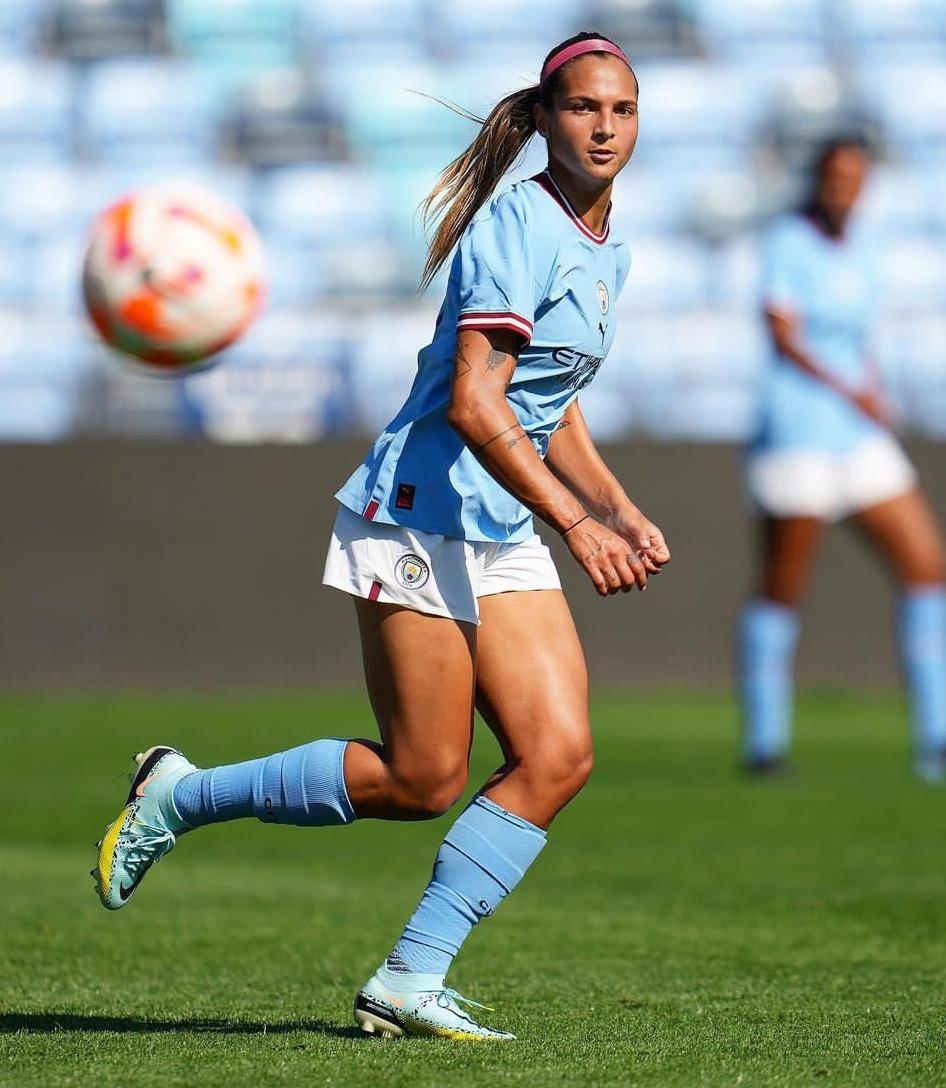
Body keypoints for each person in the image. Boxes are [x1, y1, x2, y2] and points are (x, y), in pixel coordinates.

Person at [91, 32, 670, 1040]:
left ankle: (408, 977)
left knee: (557, 754)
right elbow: (477, 402)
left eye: (621, 110)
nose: (605, 126)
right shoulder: (517, 228)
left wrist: (614, 503)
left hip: (496, 517)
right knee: (423, 776)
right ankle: (177, 795)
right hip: (419, 507)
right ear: (543, 116)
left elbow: (550, 401)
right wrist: (575, 521)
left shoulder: (605, 241)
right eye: (584, 107)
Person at [740, 137, 946, 780]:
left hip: (857, 436)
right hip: (798, 436)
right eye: (835, 177)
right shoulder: (788, 243)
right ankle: (765, 742)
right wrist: (847, 387)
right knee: (785, 585)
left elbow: (859, 339)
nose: (845, 189)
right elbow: (782, 335)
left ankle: (936, 737)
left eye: (856, 178)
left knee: (927, 568)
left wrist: (871, 389)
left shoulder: (864, 248)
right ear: (819, 181)